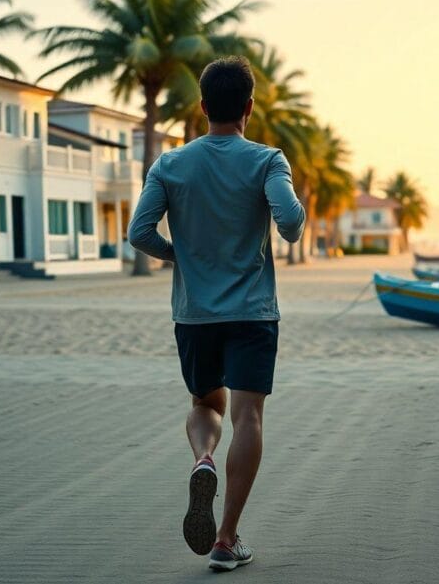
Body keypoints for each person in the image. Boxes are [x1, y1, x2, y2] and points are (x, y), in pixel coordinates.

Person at [128, 56, 306, 572]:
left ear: (203, 107)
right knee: (248, 416)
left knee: (206, 404)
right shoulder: (267, 160)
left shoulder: (170, 164)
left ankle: (203, 458)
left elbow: (139, 233)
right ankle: (226, 538)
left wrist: (179, 255)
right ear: (249, 107)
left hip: (195, 314)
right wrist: (287, 220)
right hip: (253, 313)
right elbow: (290, 221)